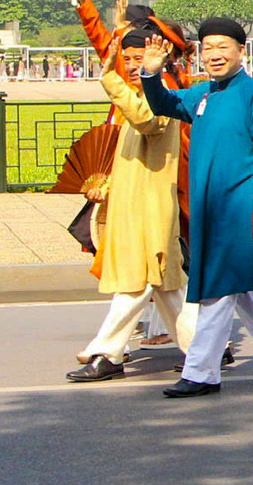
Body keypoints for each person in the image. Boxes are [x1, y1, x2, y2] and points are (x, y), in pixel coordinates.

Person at [142, 18, 253, 397]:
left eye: (223, 47)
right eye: (208, 48)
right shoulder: (202, 94)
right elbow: (163, 104)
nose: (215, 55)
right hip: (209, 210)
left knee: (217, 290)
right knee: (246, 286)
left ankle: (201, 372)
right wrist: (151, 75)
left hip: (240, 205)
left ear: (241, 51)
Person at [66, 29, 192, 379]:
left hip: (153, 206)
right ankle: (203, 348)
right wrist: (105, 186)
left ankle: (107, 352)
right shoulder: (132, 95)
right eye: (129, 60)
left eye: (141, 58)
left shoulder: (163, 94)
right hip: (131, 203)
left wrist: (111, 80)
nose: (135, 66)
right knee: (166, 286)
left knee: (136, 282)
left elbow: (147, 120)